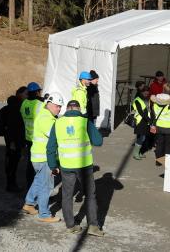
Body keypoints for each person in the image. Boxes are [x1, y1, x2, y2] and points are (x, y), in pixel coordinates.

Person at [47, 100, 104, 236]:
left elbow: (50, 147)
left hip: (66, 165)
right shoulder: (84, 121)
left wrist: (53, 165)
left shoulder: (58, 123)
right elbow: (98, 141)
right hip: (84, 165)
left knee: (67, 196)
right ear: (79, 109)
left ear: (66, 109)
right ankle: (93, 227)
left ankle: (71, 226)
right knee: (90, 195)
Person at [22, 92, 64, 222]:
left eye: (60, 107)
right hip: (44, 158)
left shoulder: (45, 115)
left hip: (38, 157)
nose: (59, 109)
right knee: (46, 186)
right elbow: (56, 137)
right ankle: (44, 214)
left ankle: (29, 204)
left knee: (39, 181)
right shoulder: (47, 119)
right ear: (50, 104)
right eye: (57, 106)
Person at [20, 82, 44, 188]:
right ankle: (38, 185)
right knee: (40, 163)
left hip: (27, 137)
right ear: (37, 92)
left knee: (30, 162)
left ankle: (29, 183)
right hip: (38, 138)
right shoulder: (40, 105)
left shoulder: (24, 103)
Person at [3, 87, 27, 192]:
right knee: (12, 163)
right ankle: (11, 185)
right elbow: (13, 126)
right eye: (26, 94)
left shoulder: (15, 106)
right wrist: (12, 142)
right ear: (20, 94)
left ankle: (12, 184)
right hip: (13, 140)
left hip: (13, 139)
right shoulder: (16, 107)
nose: (27, 96)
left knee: (12, 162)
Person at [150, 93, 170, 165]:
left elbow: (153, 116)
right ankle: (167, 162)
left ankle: (158, 162)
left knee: (159, 144)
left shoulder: (154, 105)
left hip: (159, 127)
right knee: (168, 146)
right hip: (169, 128)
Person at [132, 86, 151, 160]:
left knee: (143, 137)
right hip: (140, 121)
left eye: (148, 91)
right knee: (141, 137)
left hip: (145, 121)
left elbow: (148, 109)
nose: (146, 92)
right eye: (145, 91)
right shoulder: (137, 100)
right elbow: (140, 112)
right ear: (141, 92)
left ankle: (139, 152)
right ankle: (135, 153)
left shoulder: (147, 99)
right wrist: (149, 119)